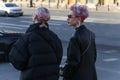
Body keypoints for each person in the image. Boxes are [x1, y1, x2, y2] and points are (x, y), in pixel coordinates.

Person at [9, 7, 63, 80]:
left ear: (35, 17)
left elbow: (16, 61)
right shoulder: (55, 38)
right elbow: (58, 60)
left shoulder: (27, 38)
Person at [60, 4, 97, 80]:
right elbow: (94, 57)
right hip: (90, 76)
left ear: (79, 19)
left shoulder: (75, 37)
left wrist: (63, 72)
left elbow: (72, 63)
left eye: (70, 16)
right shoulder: (91, 34)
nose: (67, 19)